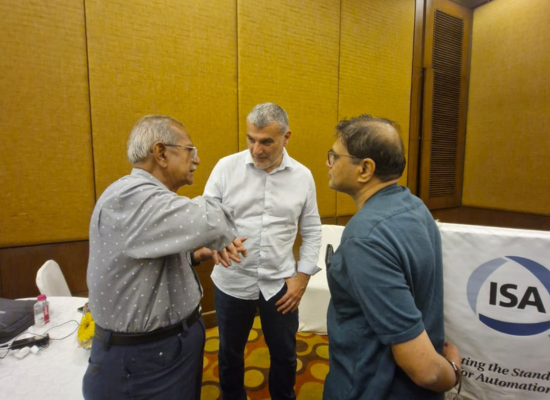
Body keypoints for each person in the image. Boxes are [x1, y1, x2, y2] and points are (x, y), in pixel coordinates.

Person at [82, 115, 246, 400]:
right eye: (190, 150)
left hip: (157, 354)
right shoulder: (131, 198)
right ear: (160, 153)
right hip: (145, 362)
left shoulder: (142, 199)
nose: (196, 160)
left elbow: (144, 261)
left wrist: (195, 254)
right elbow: (214, 222)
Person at [322, 115, 461, 400]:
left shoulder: (364, 237)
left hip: (372, 388)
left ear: (365, 169)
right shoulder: (415, 205)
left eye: (334, 156)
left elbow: (426, 370)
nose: (328, 163)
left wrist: (454, 371)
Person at [203, 103, 322, 400]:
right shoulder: (226, 167)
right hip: (232, 280)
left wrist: (303, 277)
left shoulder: (303, 176)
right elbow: (206, 218)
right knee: (229, 353)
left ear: (286, 137)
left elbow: (312, 230)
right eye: (251, 139)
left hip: (281, 284)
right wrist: (218, 241)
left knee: (285, 354)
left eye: (266, 141)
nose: (256, 149)